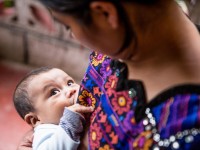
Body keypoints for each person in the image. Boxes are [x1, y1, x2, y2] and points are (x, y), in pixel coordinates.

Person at [18, 0, 200, 149]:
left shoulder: (186, 128)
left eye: (68, 26)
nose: (74, 35)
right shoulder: (113, 50)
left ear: (105, 13)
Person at [13, 67, 94, 150]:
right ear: (35, 119)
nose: (70, 90)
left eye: (69, 83)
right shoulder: (45, 131)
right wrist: (69, 123)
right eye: (54, 92)